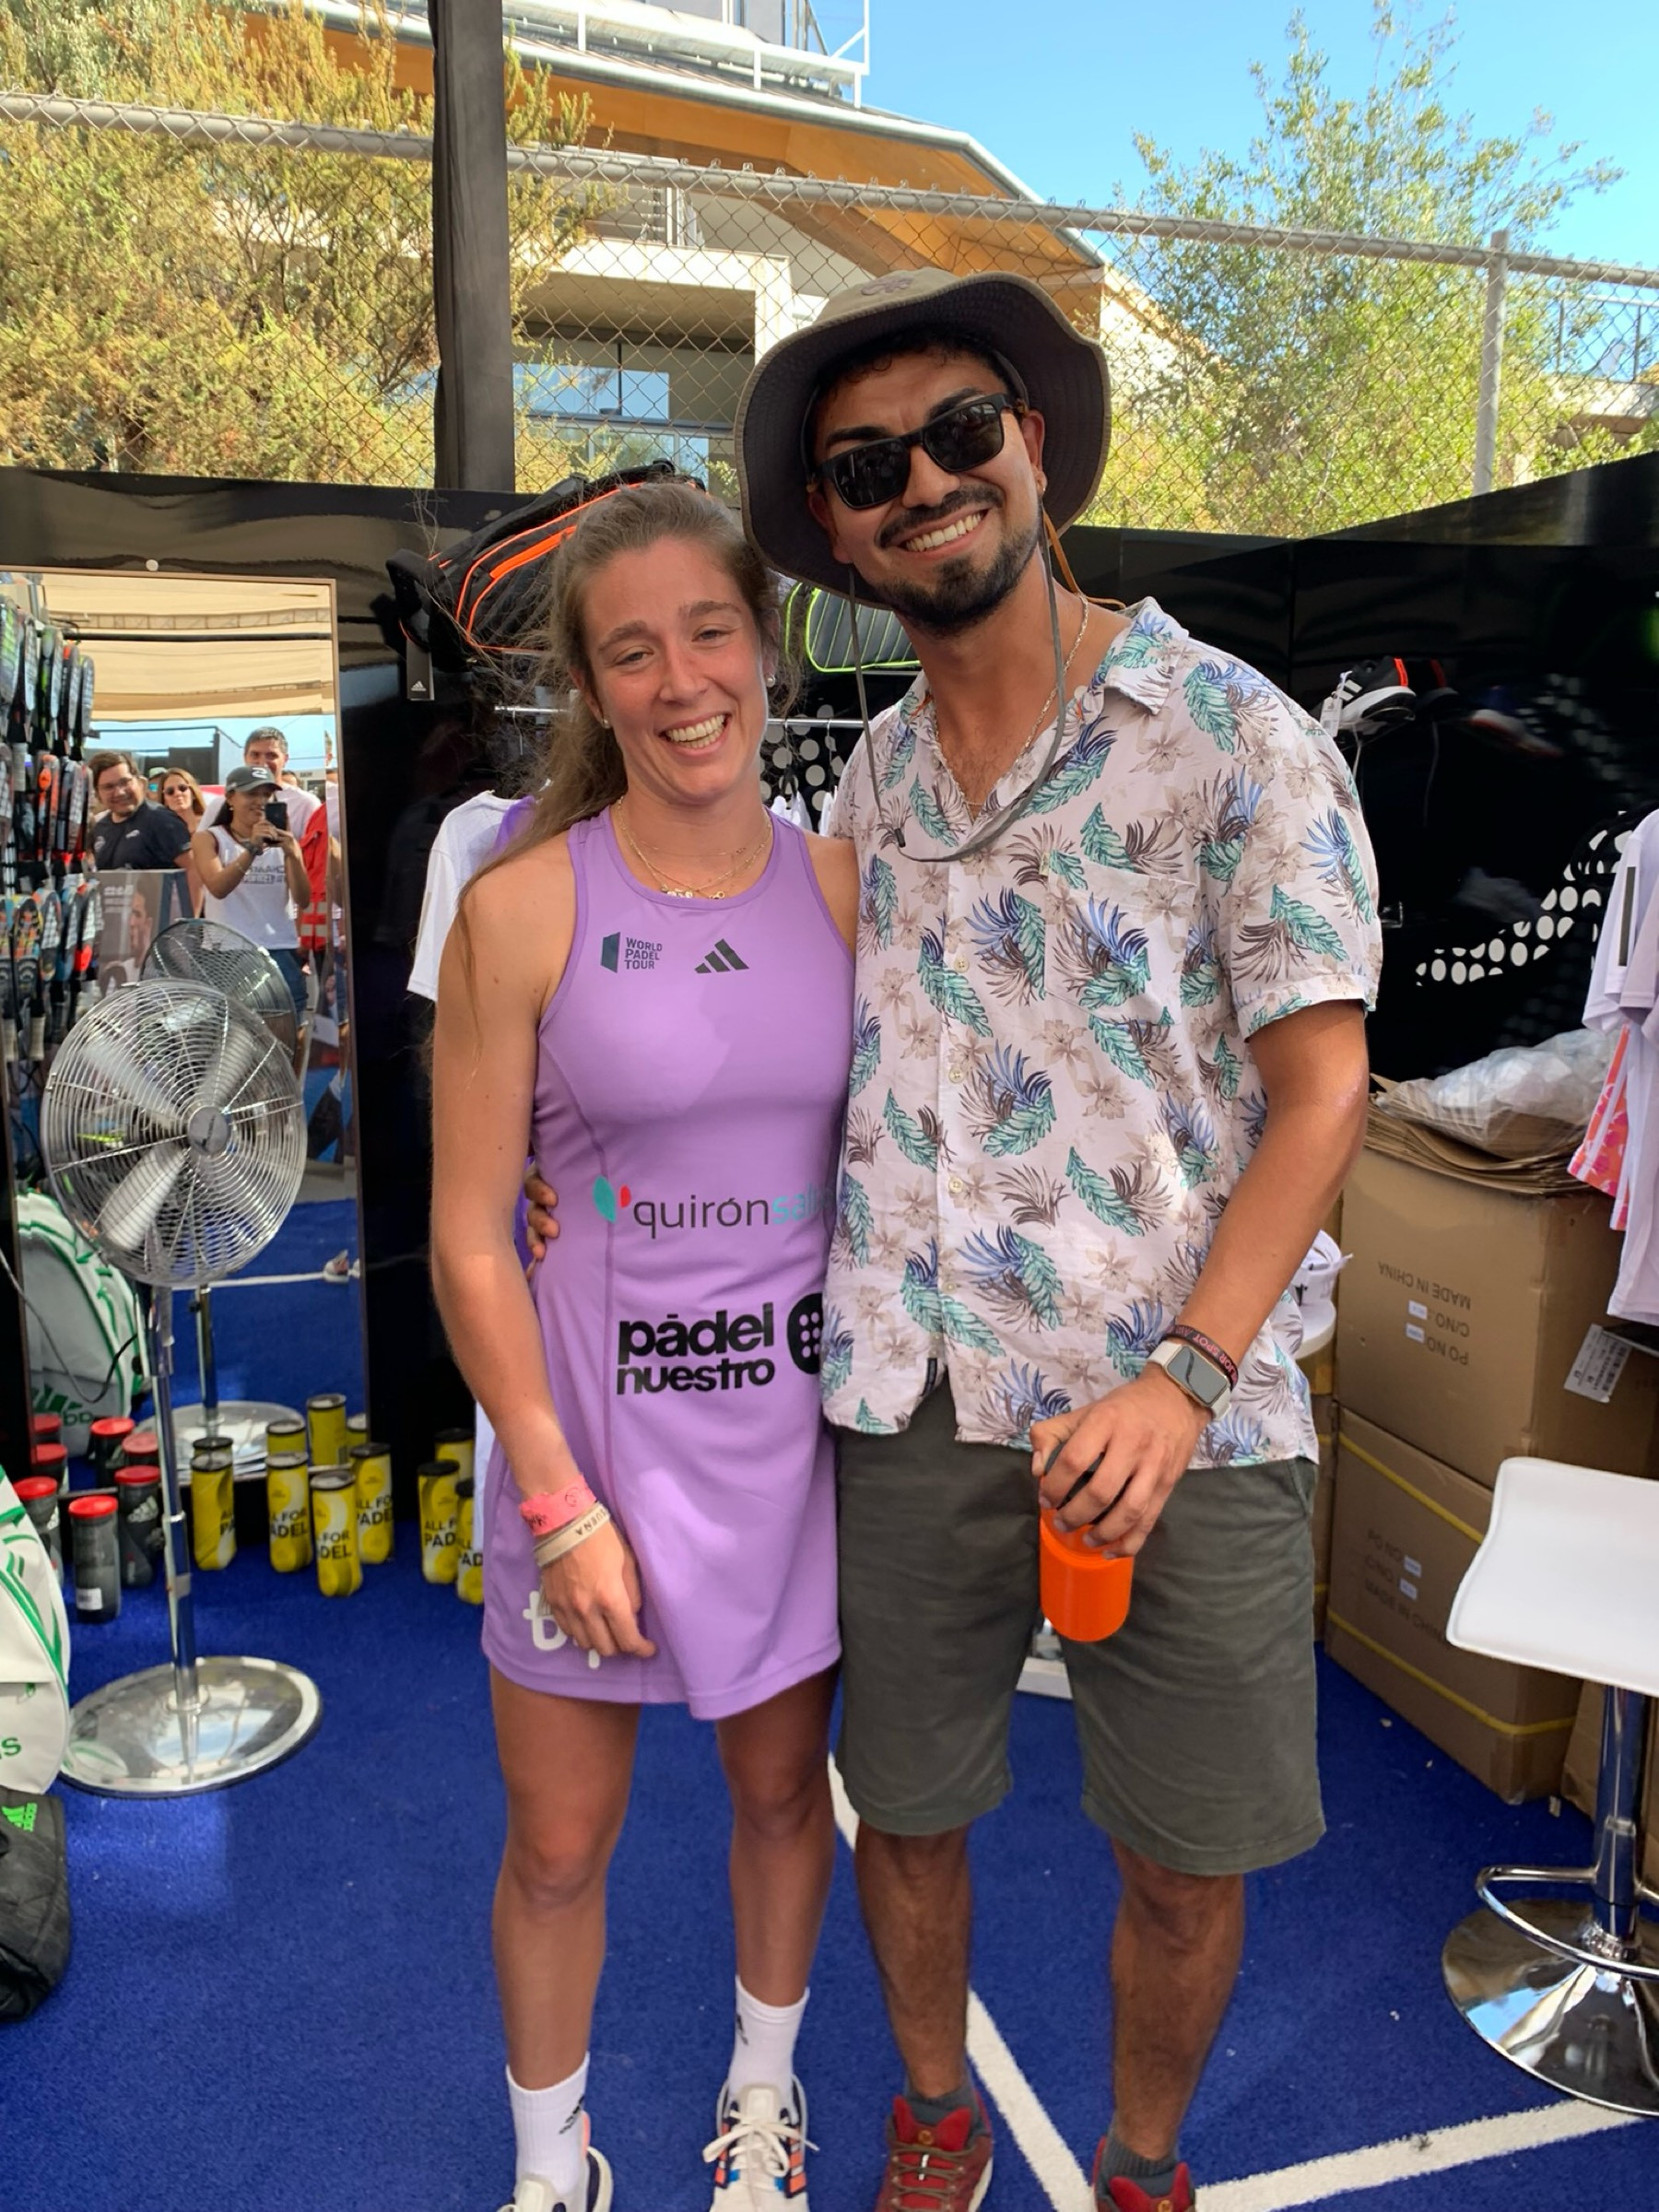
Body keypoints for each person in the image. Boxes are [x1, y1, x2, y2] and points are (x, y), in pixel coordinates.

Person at [525, 272, 1380, 2208]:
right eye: (865, 466)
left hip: (1181, 1416)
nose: (923, 480)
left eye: (961, 432)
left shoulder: (1232, 737)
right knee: (904, 1814)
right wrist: (556, 1157)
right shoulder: (872, 785)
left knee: (1186, 1858)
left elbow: (1326, 1091)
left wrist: (1186, 1377)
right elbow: (751, 1040)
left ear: (1037, 448)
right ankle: (934, 2116)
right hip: (907, 1402)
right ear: (837, 535)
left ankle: (1142, 2164)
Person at [429, 479, 859, 2212]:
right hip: (587, 1465)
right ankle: (555, 2167)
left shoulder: (850, 892)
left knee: (784, 1802)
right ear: (591, 690)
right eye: (632, 652)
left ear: (766, 646)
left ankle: (764, 2097)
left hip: (787, 1462)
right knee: (555, 1847)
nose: (682, 681)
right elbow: (472, 1236)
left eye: (709, 631)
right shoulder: (520, 907)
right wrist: (558, 1501)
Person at [190, 763, 312, 1026]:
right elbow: (218, 887)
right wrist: (252, 849)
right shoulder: (209, 838)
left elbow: (303, 899)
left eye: (266, 795)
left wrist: (293, 854)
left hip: (280, 949)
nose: (260, 801)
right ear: (230, 798)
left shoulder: (285, 842)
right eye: (251, 794)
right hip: (228, 953)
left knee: (286, 1036)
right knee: (234, 1034)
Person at [87, 750, 191, 873]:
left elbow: (194, 870)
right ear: (98, 794)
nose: (120, 792)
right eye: (109, 787)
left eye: (125, 782)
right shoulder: (100, 828)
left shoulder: (162, 821)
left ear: (140, 782)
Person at [159, 767, 207, 912]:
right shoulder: (161, 832)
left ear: (193, 792)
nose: (178, 794)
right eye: (170, 791)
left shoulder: (211, 822)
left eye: (183, 788)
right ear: (164, 799)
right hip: (180, 901)